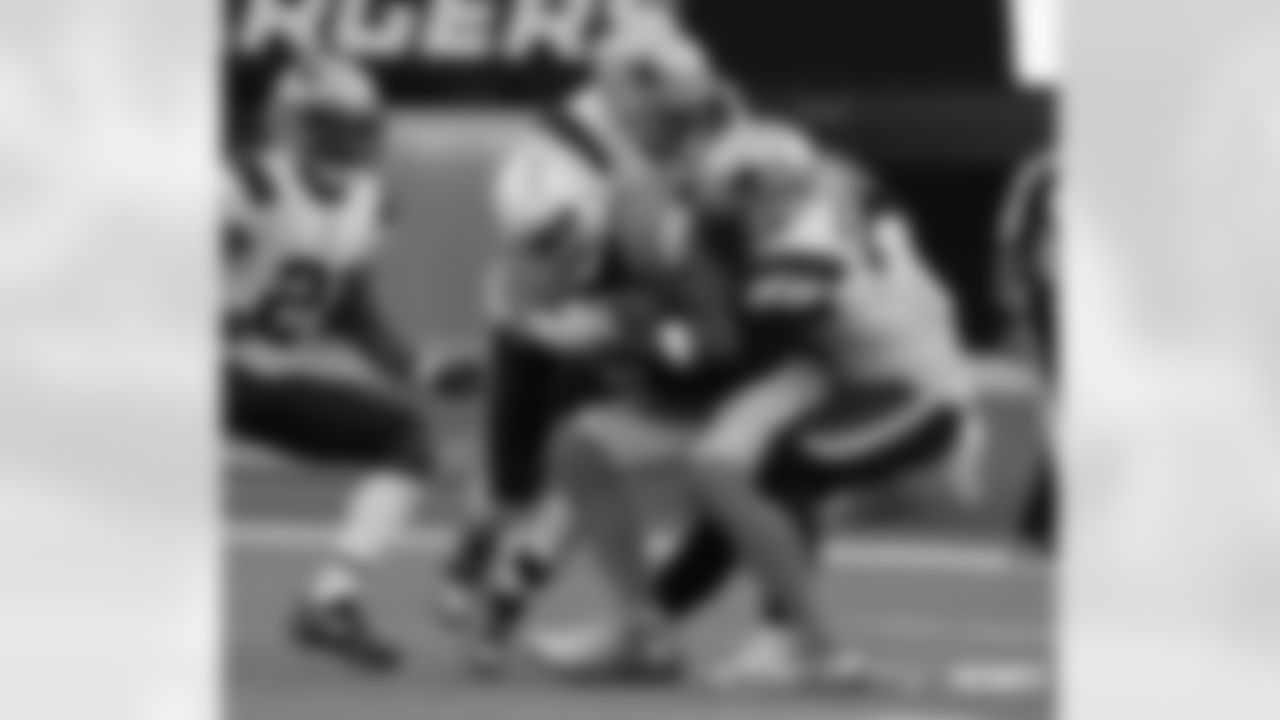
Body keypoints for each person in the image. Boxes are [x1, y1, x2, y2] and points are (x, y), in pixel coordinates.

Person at [531, 116, 986, 686]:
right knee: (712, 469)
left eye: (733, 208)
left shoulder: (801, 253)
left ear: (767, 195)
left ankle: (807, 647)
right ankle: (651, 631)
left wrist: (626, 336)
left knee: (753, 475)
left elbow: (727, 354)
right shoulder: (833, 184)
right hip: (850, 370)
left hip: (905, 395)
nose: (723, 222)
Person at [434, 19, 741, 656]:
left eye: (689, 108)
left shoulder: (714, 122)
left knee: (582, 455)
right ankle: (477, 550)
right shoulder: (551, 164)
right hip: (559, 308)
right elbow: (546, 284)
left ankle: (507, 597)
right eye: (668, 111)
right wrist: (607, 316)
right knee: (515, 479)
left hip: (645, 307)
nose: (682, 125)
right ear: (618, 93)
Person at [223, 53, 436, 672]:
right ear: (287, 123)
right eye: (329, 125)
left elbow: (348, 309)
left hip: (260, 381)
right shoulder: (240, 188)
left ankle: (331, 598)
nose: (345, 141)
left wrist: (416, 367)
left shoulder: (372, 203)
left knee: (407, 440)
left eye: (355, 127)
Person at [998, 148, 1057, 555]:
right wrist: (1015, 304)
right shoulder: (1043, 169)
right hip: (1055, 298)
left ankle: (1041, 519)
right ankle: (1041, 521)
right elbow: (1010, 239)